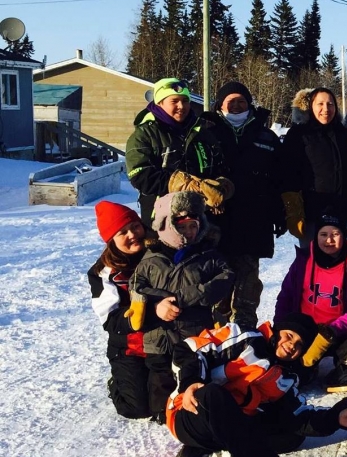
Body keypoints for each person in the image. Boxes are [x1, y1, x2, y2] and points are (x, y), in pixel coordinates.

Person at [166, 314, 347, 457]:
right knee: (214, 394)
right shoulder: (244, 337)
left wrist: (335, 417)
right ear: (277, 331)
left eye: (299, 345)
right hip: (190, 412)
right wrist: (191, 382)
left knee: (289, 434)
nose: (290, 346)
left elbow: (299, 417)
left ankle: (216, 445)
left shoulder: (286, 377)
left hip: (230, 428)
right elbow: (190, 348)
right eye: (289, 336)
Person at [199, 81, 284, 329]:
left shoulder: (265, 136)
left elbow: (279, 179)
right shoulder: (206, 133)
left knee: (247, 281)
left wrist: (279, 212)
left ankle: (245, 329)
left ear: (249, 105)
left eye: (241, 102)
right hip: (216, 222)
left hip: (254, 220)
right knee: (217, 279)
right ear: (219, 105)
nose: (236, 106)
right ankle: (217, 328)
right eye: (230, 102)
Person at [88, 201, 173, 420]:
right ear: (111, 240)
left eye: (135, 226)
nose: (132, 234)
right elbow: (110, 319)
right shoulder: (104, 272)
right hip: (129, 347)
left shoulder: (161, 251)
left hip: (163, 341)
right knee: (136, 409)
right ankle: (117, 382)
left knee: (165, 405)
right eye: (122, 232)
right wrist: (144, 313)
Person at [130, 191, 235, 361]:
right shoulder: (152, 257)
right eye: (181, 227)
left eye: (193, 226)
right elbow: (135, 287)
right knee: (160, 385)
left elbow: (226, 277)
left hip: (196, 339)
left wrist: (183, 297)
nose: (189, 232)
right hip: (159, 342)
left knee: (196, 384)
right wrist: (159, 303)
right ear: (167, 225)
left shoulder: (207, 255)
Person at [274, 208, 347, 385]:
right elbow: (286, 296)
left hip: (339, 330)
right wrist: (280, 327)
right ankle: (303, 370)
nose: (329, 240)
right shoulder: (303, 261)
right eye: (323, 234)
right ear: (316, 236)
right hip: (304, 332)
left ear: (344, 236)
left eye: (335, 234)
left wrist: (333, 329)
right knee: (292, 373)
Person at [125, 78, 228, 227]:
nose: (181, 106)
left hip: (201, 219)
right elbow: (141, 176)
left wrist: (222, 184)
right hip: (163, 220)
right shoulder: (145, 134)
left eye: (185, 101)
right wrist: (184, 184)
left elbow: (219, 165)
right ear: (160, 103)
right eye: (174, 101)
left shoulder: (202, 131)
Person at [280, 87, 347, 246]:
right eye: (320, 104)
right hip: (311, 213)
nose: (326, 109)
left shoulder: (342, 134)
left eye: (330, 104)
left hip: (338, 211)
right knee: (310, 262)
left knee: (336, 260)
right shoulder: (299, 134)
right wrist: (293, 210)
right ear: (310, 107)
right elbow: (287, 173)